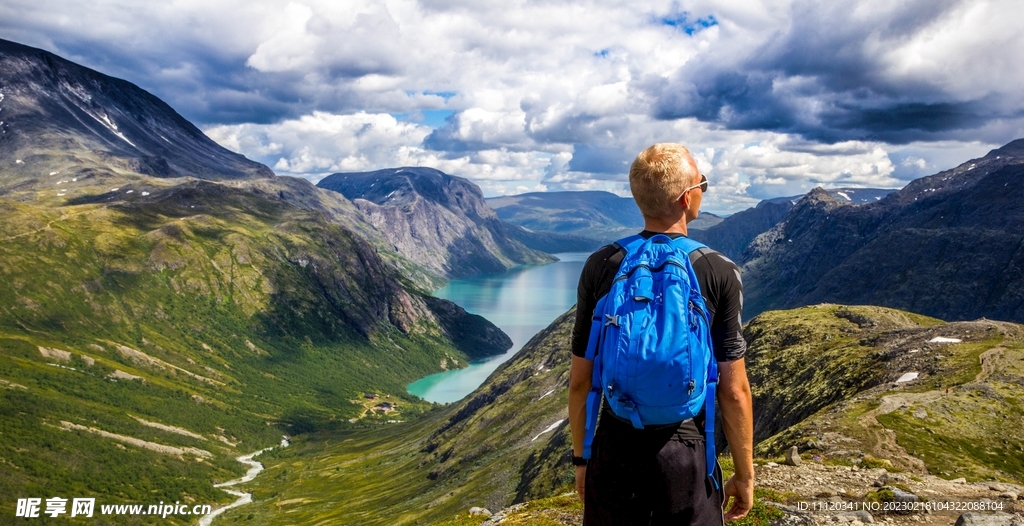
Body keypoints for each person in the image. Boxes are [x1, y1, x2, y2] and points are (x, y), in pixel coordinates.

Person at [568, 143, 754, 524]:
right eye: (703, 182)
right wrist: (745, 475)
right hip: (686, 449)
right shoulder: (717, 269)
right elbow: (734, 389)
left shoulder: (602, 264)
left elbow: (581, 382)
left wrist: (583, 459)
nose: (704, 188)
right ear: (688, 198)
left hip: (615, 445)